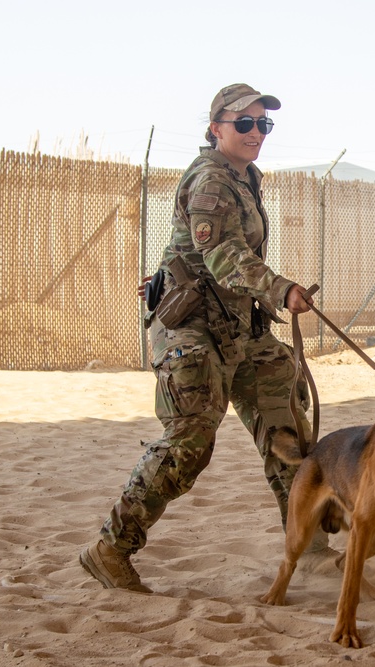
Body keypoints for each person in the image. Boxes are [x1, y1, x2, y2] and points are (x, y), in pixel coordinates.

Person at [80, 83, 327, 592]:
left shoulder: (246, 177)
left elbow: (229, 261)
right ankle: (110, 549)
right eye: (244, 123)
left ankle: (311, 551)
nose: (256, 132)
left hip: (239, 325)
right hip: (191, 328)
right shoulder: (212, 180)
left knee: (287, 427)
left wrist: (270, 298)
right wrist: (281, 290)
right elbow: (224, 257)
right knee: (190, 441)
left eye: (263, 124)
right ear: (216, 127)